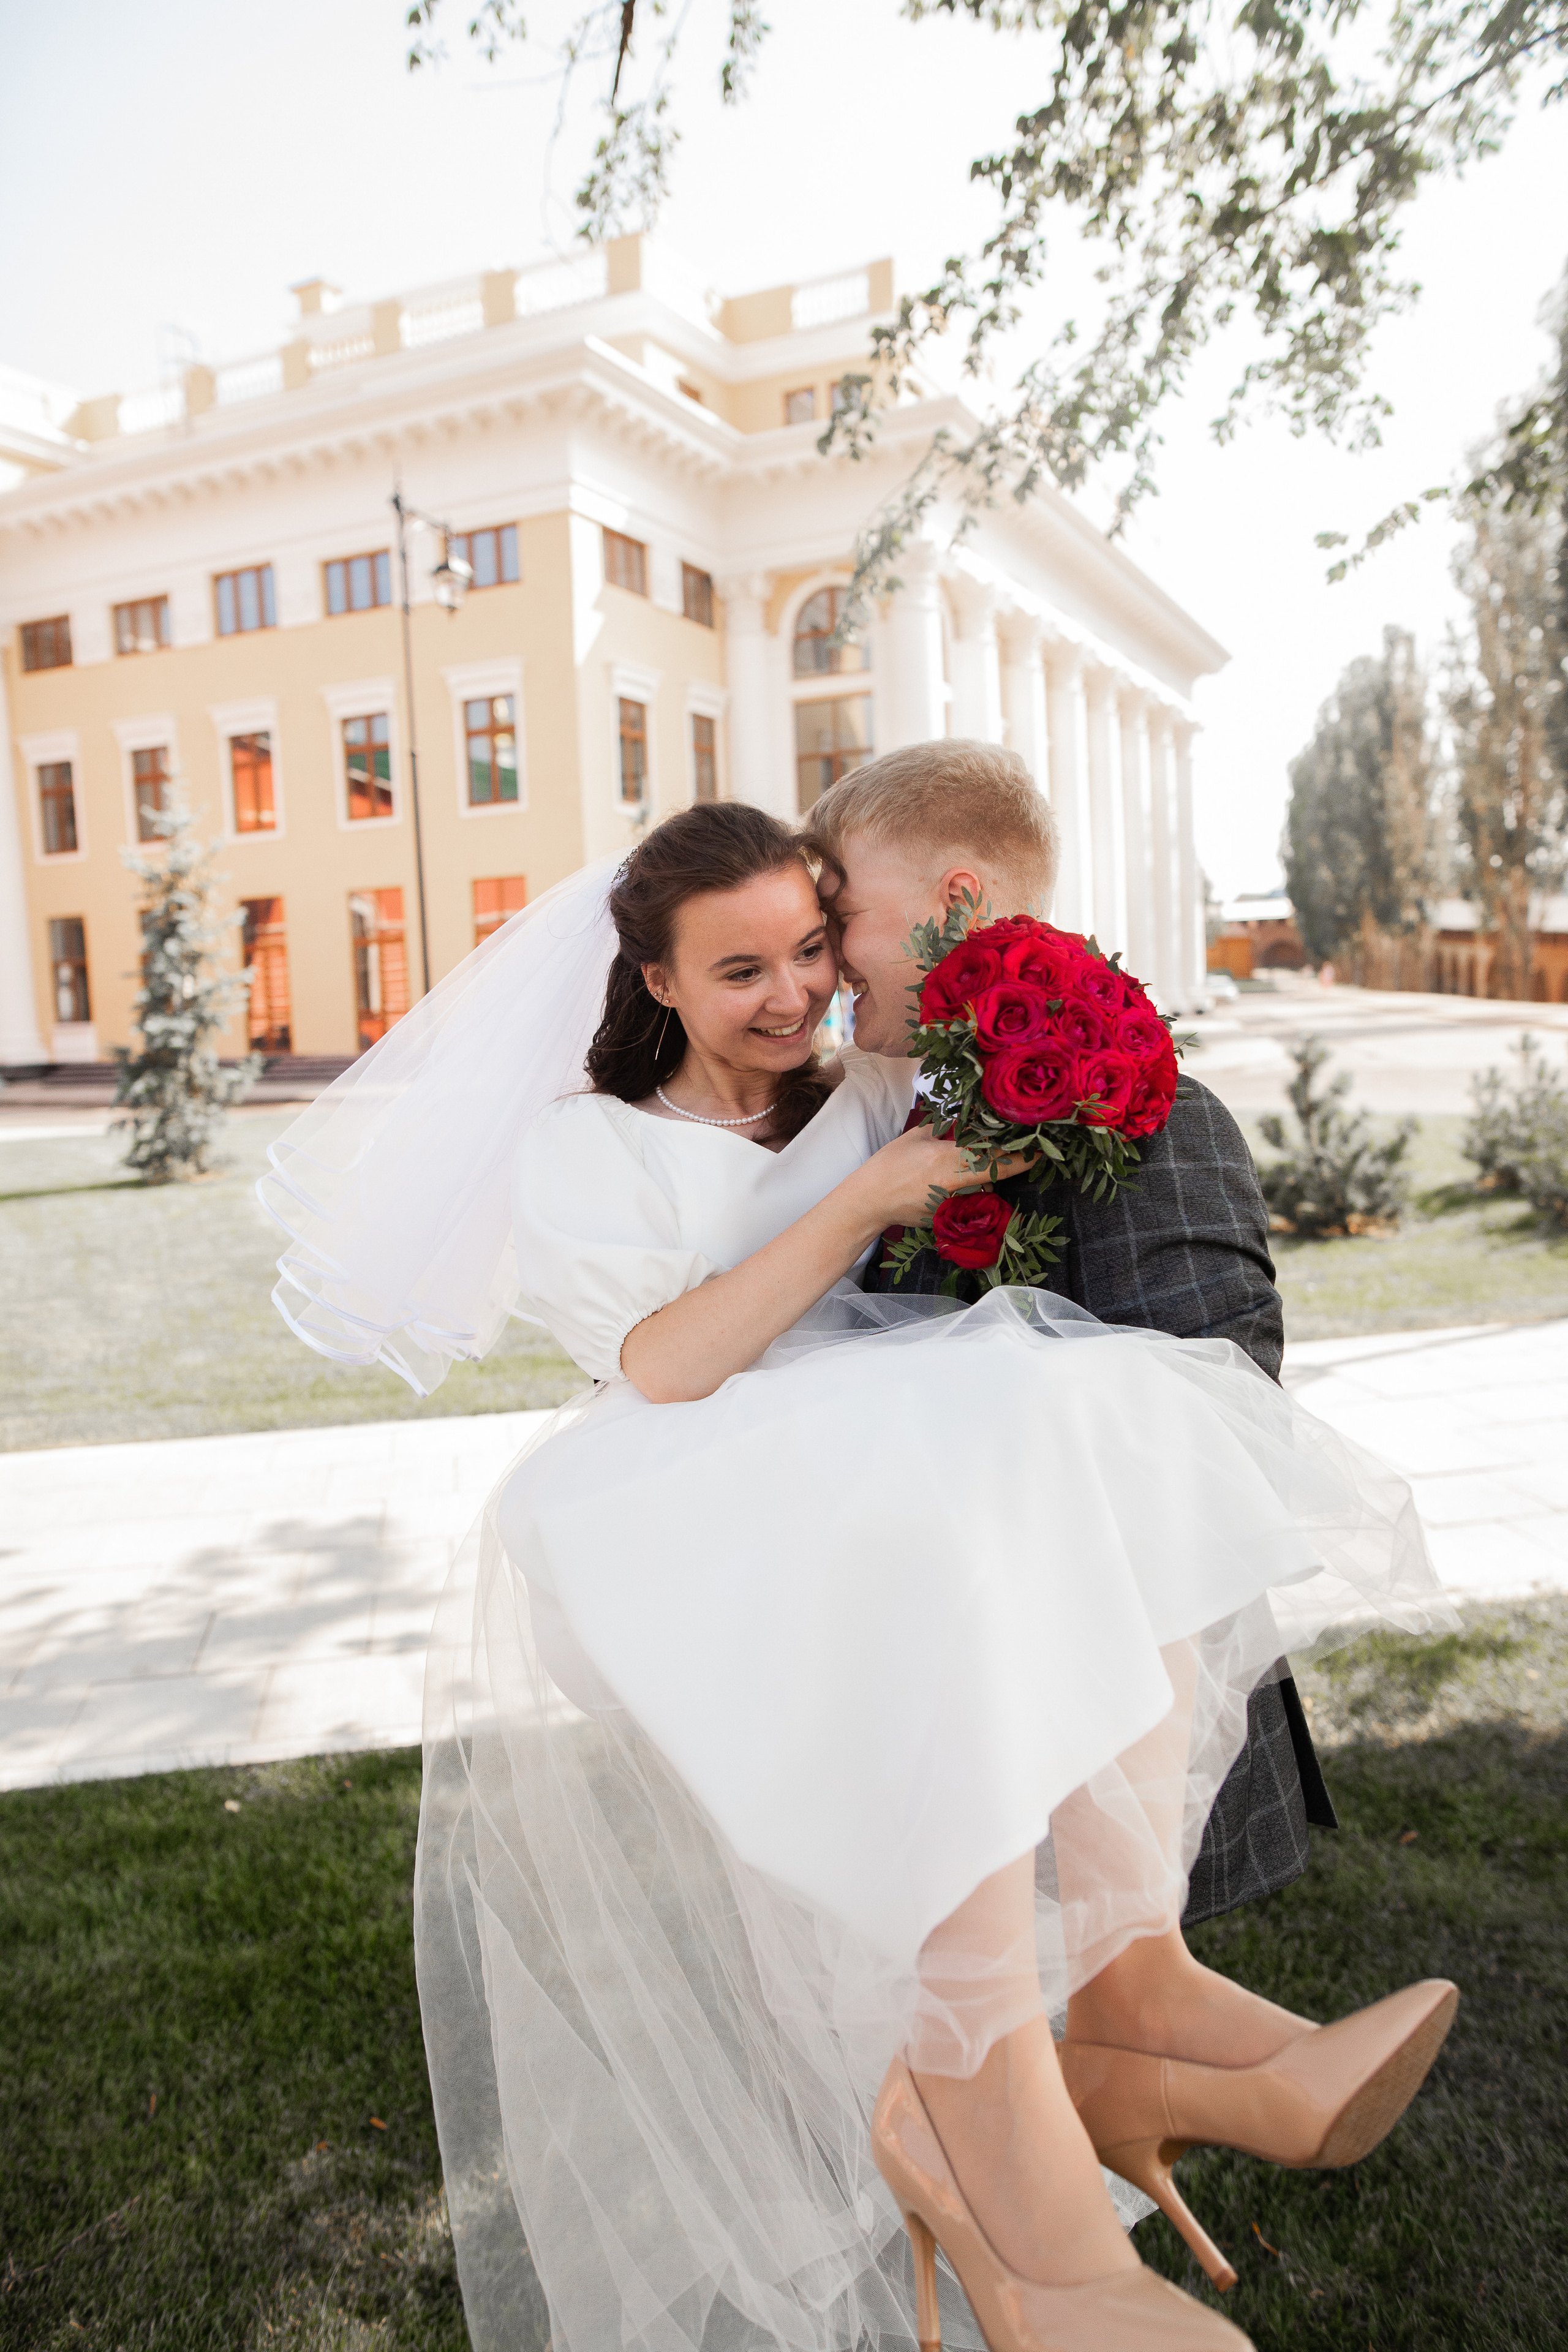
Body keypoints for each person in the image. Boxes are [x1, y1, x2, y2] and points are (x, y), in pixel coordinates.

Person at [260, 804, 1457, 2352]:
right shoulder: (589, 1149)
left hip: (885, 1463)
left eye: (810, 949)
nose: (789, 993)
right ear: (657, 981)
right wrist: (861, 1203)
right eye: (739, 967)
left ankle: (1131, 1973)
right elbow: (664, 1366)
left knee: (1105, 1415)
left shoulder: (863, 1090)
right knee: (930, 1605)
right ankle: (1033, 2231)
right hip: (698, 1486)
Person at [804, 740, 1334, 1926]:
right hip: (949, 1722)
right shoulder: (885, 1128)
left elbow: (1222, 1411)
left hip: (1120, 1735)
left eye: (839, 916)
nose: (822, 959)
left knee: (1117, 2082)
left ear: (953, 903)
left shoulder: (1142, 1112)